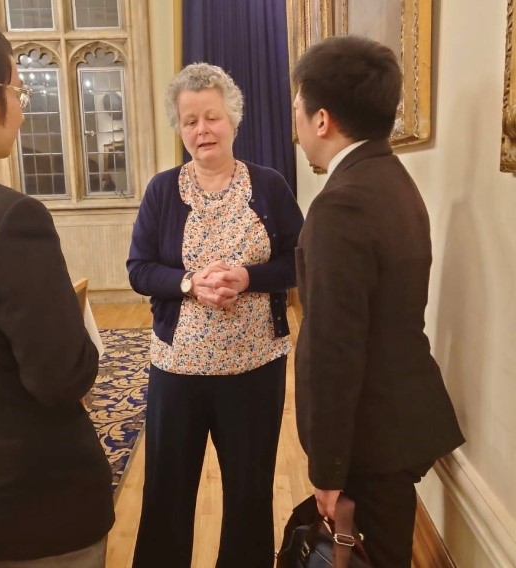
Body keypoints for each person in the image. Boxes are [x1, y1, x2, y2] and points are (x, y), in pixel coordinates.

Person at [0, 6, 114, 567]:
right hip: (27, 509)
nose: (22, 107)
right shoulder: (8, 217)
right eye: (17, 90)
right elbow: (61, 376)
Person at [292, 35, 465, 567]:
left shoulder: (341, 204)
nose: (296, 122)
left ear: (322, 119)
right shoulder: (391, 177)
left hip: (369, 435)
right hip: (396, 420)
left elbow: (335, 349)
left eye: (298, 108)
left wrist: (328, 469)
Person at [127, 62, 303, 568]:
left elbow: (298, 260)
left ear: (233, 121)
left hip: (255, 367)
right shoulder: (163, 190)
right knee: (166, 494)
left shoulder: (269, 186)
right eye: (190, 121)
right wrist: (188, 283)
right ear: (180, 129)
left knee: (249, 493)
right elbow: (139, 269)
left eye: (212, 117)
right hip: (177, 369)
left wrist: (248, 277)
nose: (202, 129)